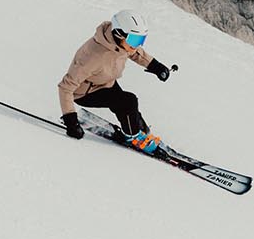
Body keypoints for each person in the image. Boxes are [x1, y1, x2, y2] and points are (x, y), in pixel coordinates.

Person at [58, 9, 174, 152]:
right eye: (134, 40)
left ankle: (140, 132)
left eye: (141, 40)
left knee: (130, 111)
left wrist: (156, 67)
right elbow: (65, 87)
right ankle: (133, 137)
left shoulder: (120, 43)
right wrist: (71, 121)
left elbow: (135, 52)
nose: (137, 45)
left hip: (107, 82)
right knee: (128, 101)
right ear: (119, 33)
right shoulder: (93, 56)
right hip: (85, 92)